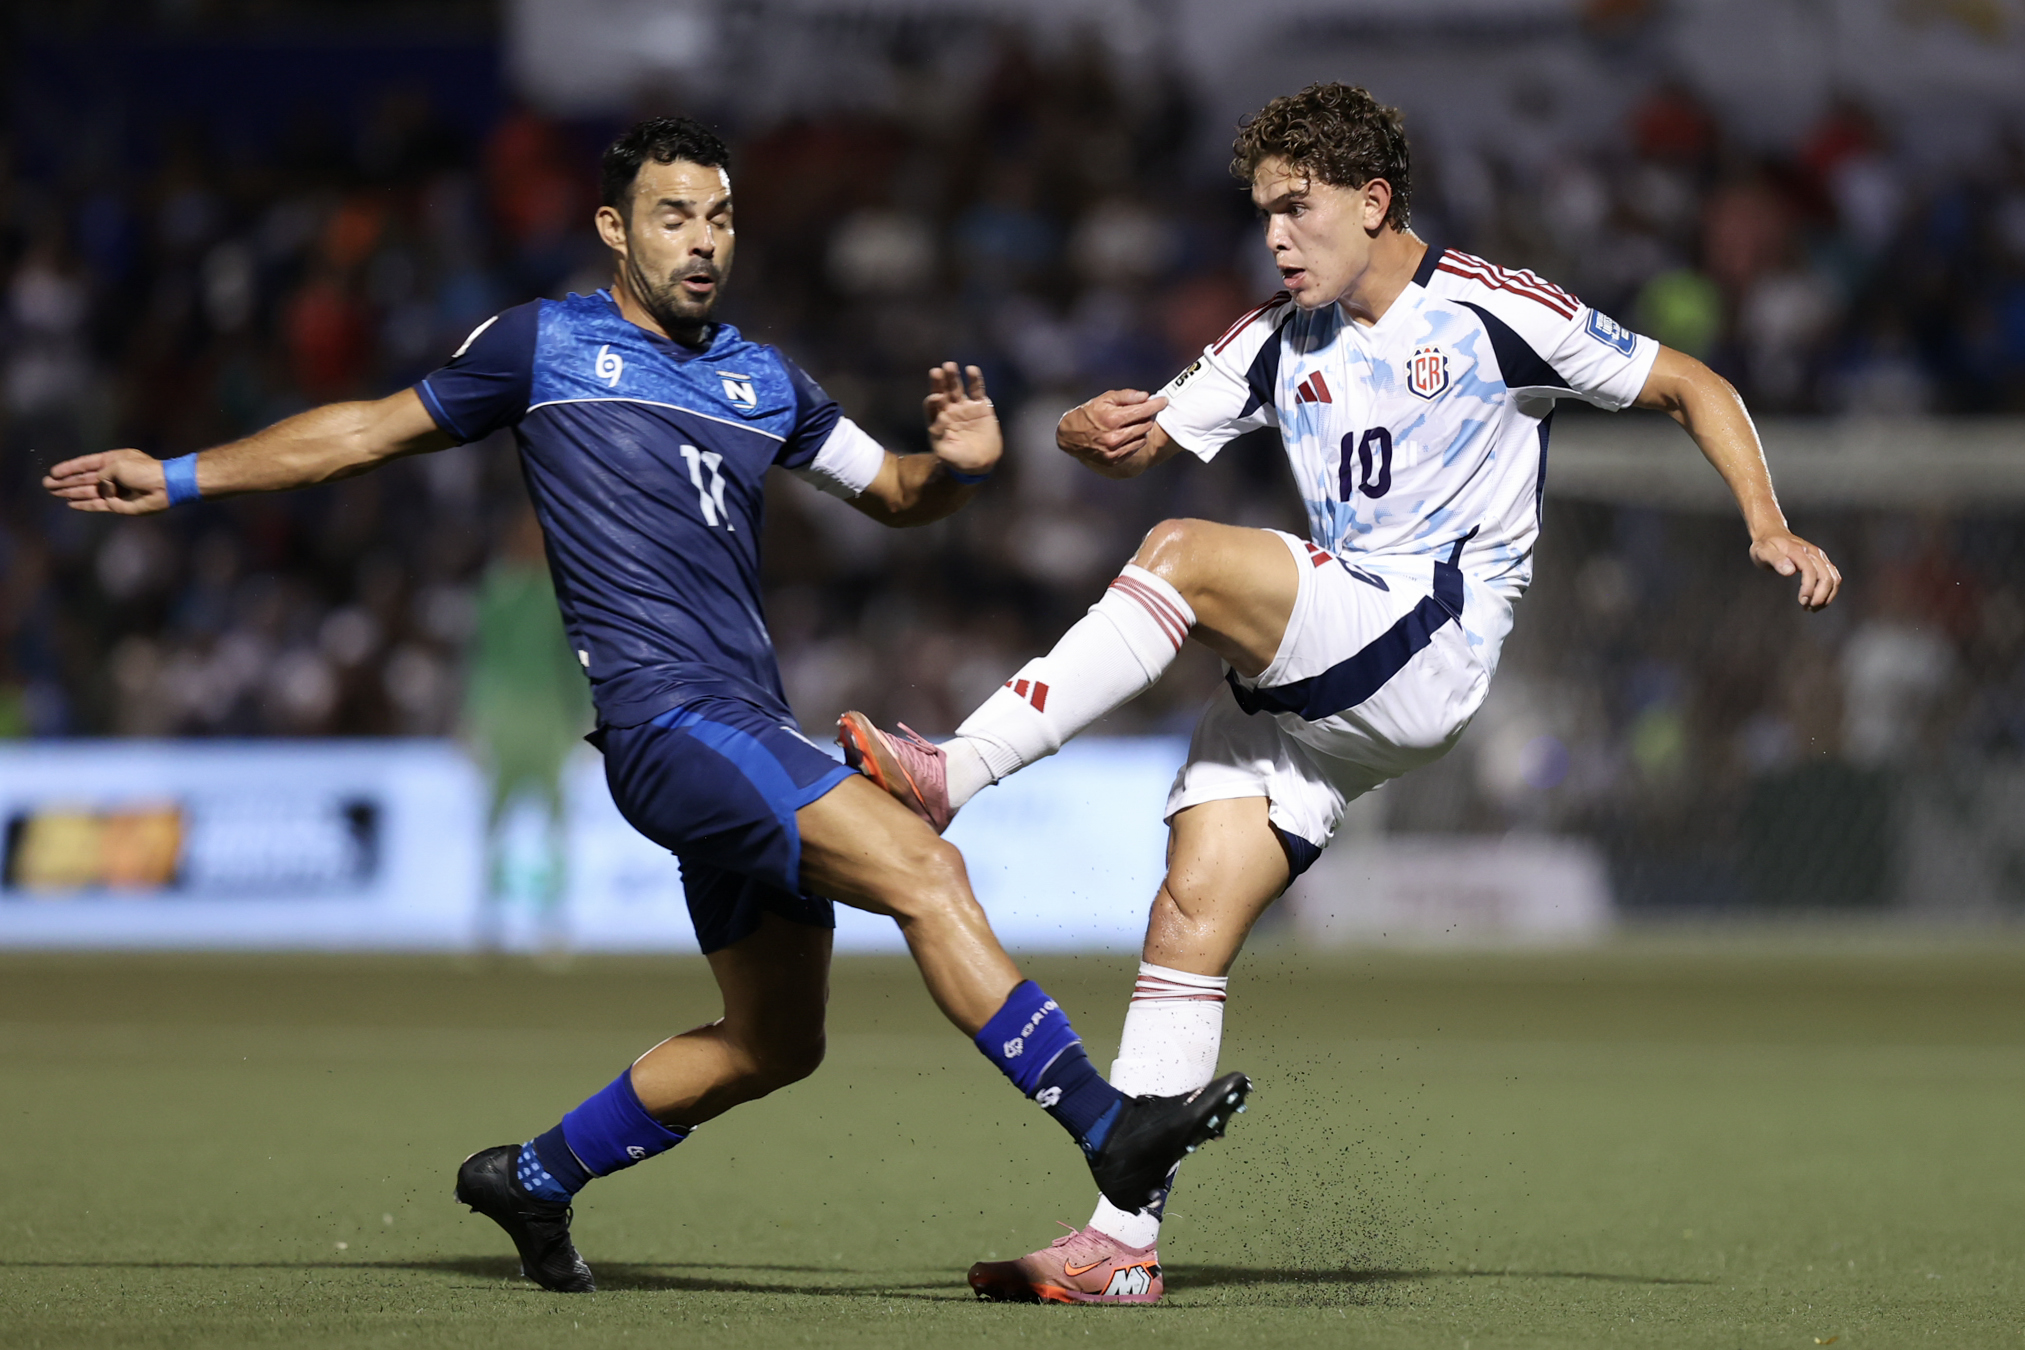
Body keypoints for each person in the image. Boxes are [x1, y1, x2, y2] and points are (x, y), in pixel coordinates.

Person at [43, 115, 1250, 1296]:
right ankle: (1109, 1130)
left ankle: (531, 1176)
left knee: (777, 1044)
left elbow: (891, 490)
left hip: (745, 730)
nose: (704, 240)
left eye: (720, 216)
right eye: (675, 216)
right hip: (669, 727)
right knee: (924, 872)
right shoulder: (542, 347)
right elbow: (364, 432)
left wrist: (960, 469)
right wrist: (184, 476)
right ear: (614, 229)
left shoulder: (765, 380)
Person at [838, 82, 1842, 1305]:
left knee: (1184, 556)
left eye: (1296, 209)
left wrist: (1768, 526)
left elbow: (1694, 382)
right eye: (1263, 211)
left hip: (1426, 641)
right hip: (1323, 684)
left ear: (1374, 204)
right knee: (1185, 925)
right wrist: (1080, 433)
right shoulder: (1278, 333)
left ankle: (961, 769)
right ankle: (1121, 1244)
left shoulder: (1487, 310)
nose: (1273, 236)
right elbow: (1149, 432)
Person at [463, 503, 592, 955]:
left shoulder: (558, 594)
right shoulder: (497, 590)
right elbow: (482, 660)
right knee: (497, 821)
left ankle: (551, 918)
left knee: (554, 822)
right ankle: (491, 915)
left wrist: (584, 723)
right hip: (506, 720)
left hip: (550, 721)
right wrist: (472, 721)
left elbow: (574, 664)